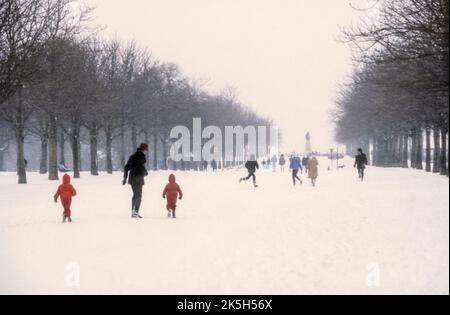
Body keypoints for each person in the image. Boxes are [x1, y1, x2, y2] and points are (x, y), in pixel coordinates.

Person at [123, 143, 149, 218]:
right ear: (143, 149)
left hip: (132, 179)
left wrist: (125, 178)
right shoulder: (140, 156)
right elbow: (140, 166)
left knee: (135, 195)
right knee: (139, 195)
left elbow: (126, 167)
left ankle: (133, 212)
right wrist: (145, 172)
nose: (146, 151)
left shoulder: (132, 156)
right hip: (138, 178)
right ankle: (135, 211)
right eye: (146, 150)